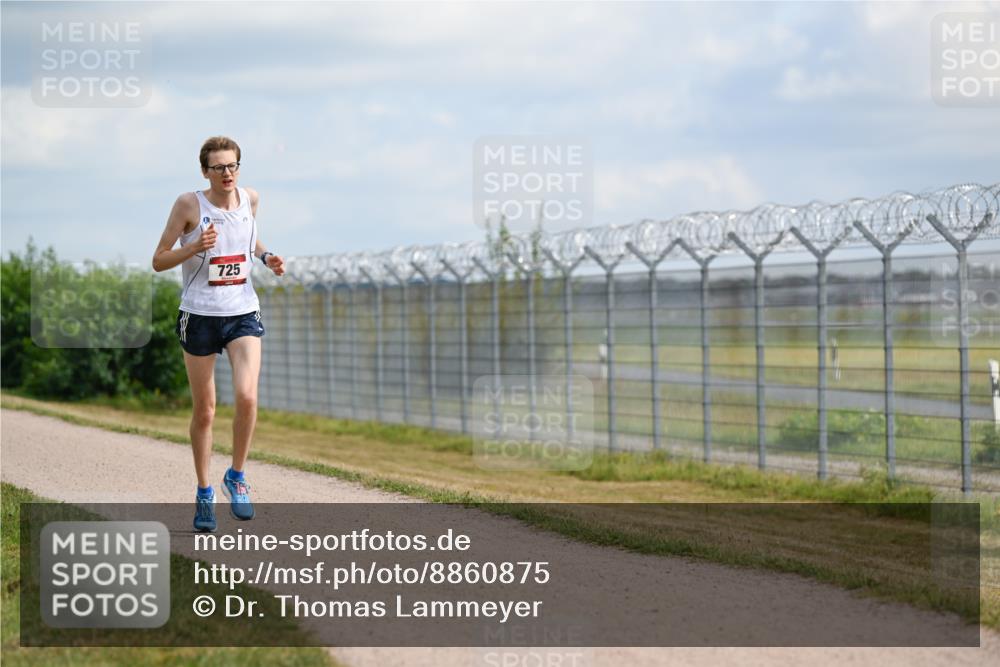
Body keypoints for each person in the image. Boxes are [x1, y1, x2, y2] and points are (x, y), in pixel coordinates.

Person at [152, 136, 284, 532]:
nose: (227, 173)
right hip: (200, 315)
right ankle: (204, 491)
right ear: (205, 171)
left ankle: (236, 476)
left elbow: (247, 239)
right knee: (206, 410)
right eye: (218, 167)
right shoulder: (188, 205)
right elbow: (159, 259)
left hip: (242, 311)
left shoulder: (250, 199)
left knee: (247, 396)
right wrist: (193, 246)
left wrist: (266, 256)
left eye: (232, 166)